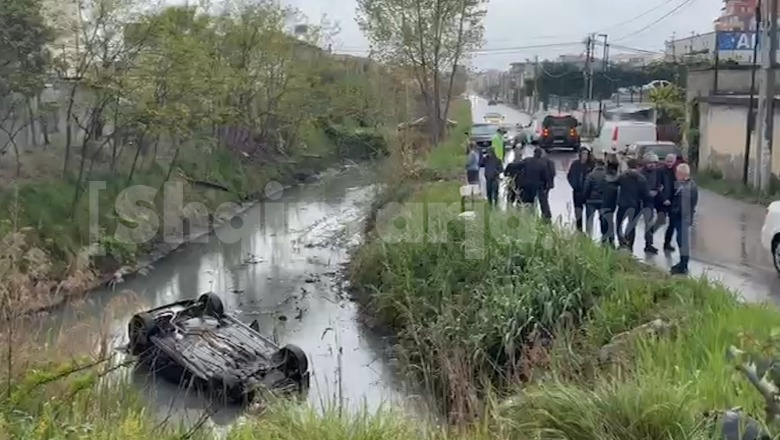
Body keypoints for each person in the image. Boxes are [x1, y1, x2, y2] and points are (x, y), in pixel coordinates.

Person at [669, 163, 698, 275]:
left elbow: (683, 207)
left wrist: (673, 212)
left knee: (683, 241)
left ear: (681, 174)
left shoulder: (686, 188)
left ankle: (683, 265)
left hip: (682, 218)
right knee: (681, 240)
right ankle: (682, 263)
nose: (675, 175)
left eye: (677, 173)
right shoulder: (688, 184)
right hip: (684, 218)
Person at [615, 158, 650, 250]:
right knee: (632, 225)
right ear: (637, 166)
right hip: (635, 204)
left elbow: (614, 184)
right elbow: (646, 193)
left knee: (619, 223)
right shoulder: (641, 178)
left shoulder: (622, 176)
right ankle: (630, 244)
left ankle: (621, 241)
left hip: (623, 203)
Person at [518, 147, 552, 219]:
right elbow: (546, 177)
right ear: (540, 154)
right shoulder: (542, 164)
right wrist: (547, 186)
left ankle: (529, 215)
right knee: (543, 201)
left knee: (529, 202)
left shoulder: (527, 160)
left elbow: (518, 166)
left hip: (527, 185)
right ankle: (546, 216)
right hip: (538, 186)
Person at [582, 158, 610, 241]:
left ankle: (589, 237)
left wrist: (585, 198)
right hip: (603, 200)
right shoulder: (607, 175)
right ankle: (604, 237)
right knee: (603, 219)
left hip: (591, 200)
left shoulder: (591, 175)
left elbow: (586, 188)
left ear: (596, 165)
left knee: (589, 219)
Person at [567, 147, 594, 231]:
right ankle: (579, 229)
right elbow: (570, 176)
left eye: (586, 154)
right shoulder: (575, 164)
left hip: (588, 193)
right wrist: (574, 185)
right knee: (578, 212)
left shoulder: (591, 165)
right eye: (583, 154)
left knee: (589, 214)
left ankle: (589, 231)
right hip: (577, 192)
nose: (584, 156)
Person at [641, 153, 661, 254]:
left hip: (650, 201)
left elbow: (659, 184)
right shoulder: (640, 173)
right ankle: (628, 243)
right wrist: (647, 193)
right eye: (650, 163)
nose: (652, 165)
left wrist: (657, 190)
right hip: (640, 200)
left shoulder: (657, 172)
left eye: (654, 163)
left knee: (649, 223)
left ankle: (649, 244)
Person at [658, 153, 677, 251]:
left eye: (671, 161)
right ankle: (648, 241)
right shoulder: (660, 171)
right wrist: (664, 199)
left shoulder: (675, 171)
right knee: (660, 221)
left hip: (672, 201)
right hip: (662, 201)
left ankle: (667, 243)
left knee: (672, 223)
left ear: (674, 162)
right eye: (668, 161)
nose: (669, 163)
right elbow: (658, 186)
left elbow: (677, 185)